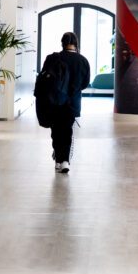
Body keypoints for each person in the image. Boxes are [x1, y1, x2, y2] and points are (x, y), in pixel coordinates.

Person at [42, 31, 90, 174]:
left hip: (54, 101)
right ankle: (64, 161)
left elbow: (44, 79)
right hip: (72, 102)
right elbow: (85, 83)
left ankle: (58, 160)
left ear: (62, 43)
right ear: (76, 43)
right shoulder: (82, 60)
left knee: (56, 130)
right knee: (67, 131)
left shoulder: (52, 58)